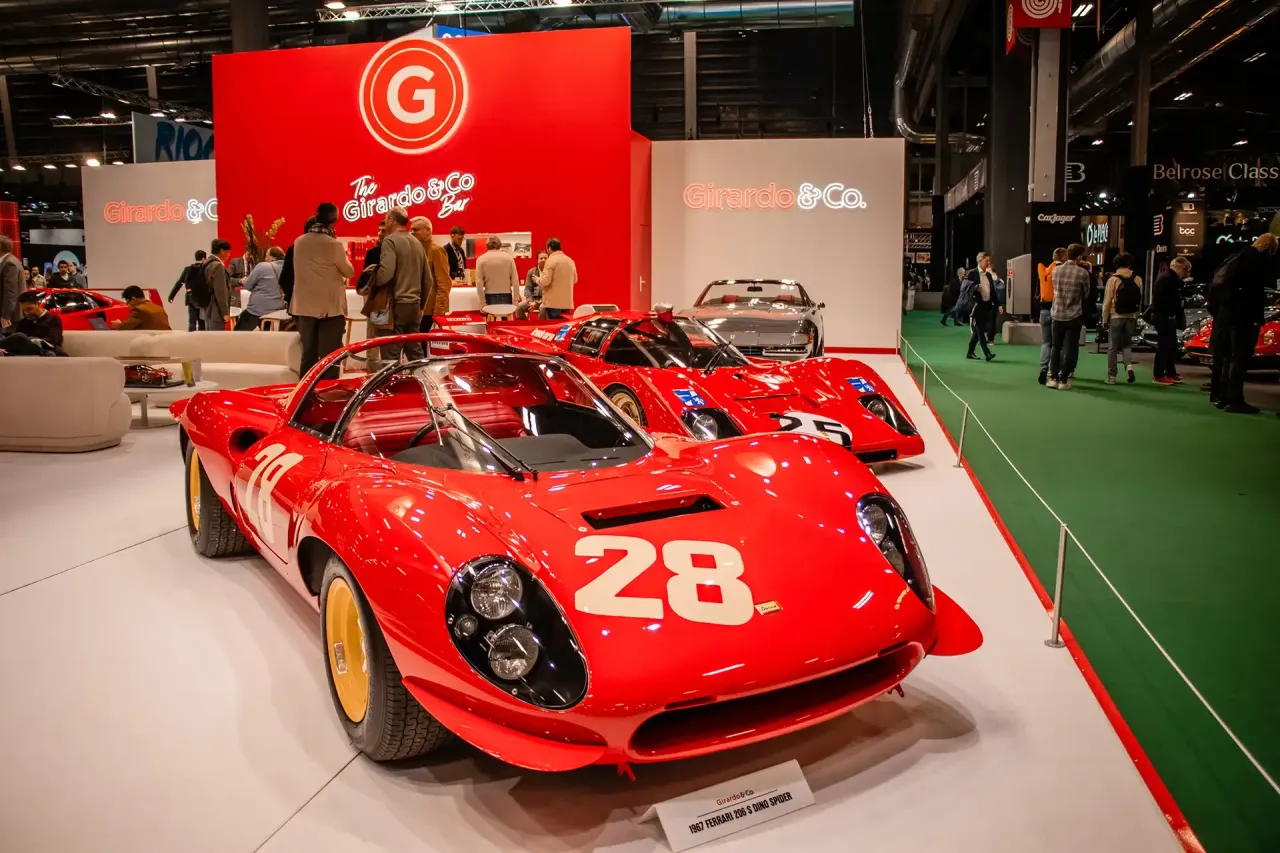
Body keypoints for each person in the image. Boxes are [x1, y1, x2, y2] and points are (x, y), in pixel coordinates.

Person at [1210, 233, 1278, 413]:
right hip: (1244, 318)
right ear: (1269, 248)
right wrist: (1257, 318)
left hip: (1225, 316)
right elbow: (1254, 294)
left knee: (1228, 358)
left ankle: (1223, 397)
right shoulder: (1256, 261)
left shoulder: (1236, 258)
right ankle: (1235, 400)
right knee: (1240, 358)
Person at [291, 202, 354, 379]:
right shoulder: (333, 245)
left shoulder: (299, 242)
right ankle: (329, 391)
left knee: (308, 354)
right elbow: (349, 271)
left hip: (303, 307)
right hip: (329, 308)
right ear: (334, 220)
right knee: (329, 357)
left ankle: (305, 391)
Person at [372, 208, 429, 363]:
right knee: (415, 353)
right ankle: (420, 377)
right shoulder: (417, 243)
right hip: (414, 305)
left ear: (391, 220)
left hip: (394, 306)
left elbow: (386, 274)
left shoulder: (390, 241)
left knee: (390, 356)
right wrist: (421, 305)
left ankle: (393, 380)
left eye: (386, 218)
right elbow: (428, 279)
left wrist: (372, 281)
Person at [1047, 243, 1091, 390]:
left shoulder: (1056, 270)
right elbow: (1086, 294)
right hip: (1074, 315)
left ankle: (1053, 378)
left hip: (1057, 314)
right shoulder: (1083, 273)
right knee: (1070, 348)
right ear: (1079, 257)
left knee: (1056, 347)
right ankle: (1063, 380)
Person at [1100, 252, 1143, 385]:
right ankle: (1129, 366)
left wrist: (1104, 319)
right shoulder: (1137, 279)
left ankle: (1112, 376)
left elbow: (1107, 301)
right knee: (1126, 344)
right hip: (1131, 316)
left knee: (1113, 347)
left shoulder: (1113, 280)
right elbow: (1139, 299)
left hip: (1116, 316)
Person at [1150, 256, 1191, 387]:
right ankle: (1158, 375)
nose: (1187, 273)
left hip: (1167, 316)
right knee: (1164, 346)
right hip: (1163, 316)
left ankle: (1170, 373)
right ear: (1180, 268)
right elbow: (1161, 300)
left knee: (1171, 346)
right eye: (1186, 270)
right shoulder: (1167, 279)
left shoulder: (1171, 278)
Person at [410, 216, 452, 332]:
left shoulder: (436, 250)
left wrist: (439, 311)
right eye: (411, 230)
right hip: (414, 307)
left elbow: (444, 283)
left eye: (416, 229)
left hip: (428, 309)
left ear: (428, 230)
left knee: (421, 340)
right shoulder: (415, 251)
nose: (412, 232)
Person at [236, 246, 286, 331]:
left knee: (239, 330)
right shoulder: (289, 267)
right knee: (264, 324)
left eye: (266, 256)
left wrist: (245, 282)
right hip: (280, 307)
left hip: (259, 308)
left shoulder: (263, 266)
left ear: (272, 257)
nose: (265, 259)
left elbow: (247, 285)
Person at [1036, 248, 1068, 384]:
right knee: (1058, 344)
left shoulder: (1044, 271)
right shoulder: (1064, 272)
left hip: (1044, 310)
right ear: (1064, 258)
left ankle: (1043, 367)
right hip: (1058, 310)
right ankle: (1055, 370)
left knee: (1046, 341)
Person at [960, 253, 996, 361]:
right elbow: (964, 287)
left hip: (986, 305)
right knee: (980, 329)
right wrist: (976, 287)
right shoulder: (971, 273)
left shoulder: (988, 275)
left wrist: (998, 304)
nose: (988, 263)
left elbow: (993, 291)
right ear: (980, 261)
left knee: (978, 330)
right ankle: (987, 353)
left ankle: (970, 352)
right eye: (986, 261)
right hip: (976, 305)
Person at [538, 237, 577, 320]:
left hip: (553, 303)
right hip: (567, 303)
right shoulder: (570, 261)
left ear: (549, 248)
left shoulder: (550, 261)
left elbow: (545, 281)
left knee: (554, 325)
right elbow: (575, 280)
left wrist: (538, 280)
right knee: (564, 326)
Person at [169, 249, 208, 331]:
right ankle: (202, 337)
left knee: (192, 321)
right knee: (202, 322)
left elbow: (179, 283)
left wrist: (171, 296)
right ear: (204, 258)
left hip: (191, 298)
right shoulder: (205, 269)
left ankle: (191, 337)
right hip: (203, 299)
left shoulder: (188, 269)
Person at [475, 236, 520, 308]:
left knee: (491, 314)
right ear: (500, 245)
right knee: (506, 314)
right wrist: (515, 299)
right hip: (506, 295)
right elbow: (515, 280)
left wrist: (482, 302)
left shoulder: (481, 259)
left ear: (487, 245)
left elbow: (479, 282)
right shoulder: (508, 258)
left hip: (489, 295)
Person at [200, 239, 234, 332]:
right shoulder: (218, 266)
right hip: (216, 309)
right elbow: (220, 291)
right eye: (228, 252)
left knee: (209, 336)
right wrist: (225, 312)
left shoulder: (206, 263)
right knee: (217, 337)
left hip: (207, 307)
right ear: (222, 251)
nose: (229, 255)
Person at [0, 236, 22, 329]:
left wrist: (6, 315)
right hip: (10, 314)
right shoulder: (10, 260)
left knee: (9, 337)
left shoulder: (9, 263)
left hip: (10, 317)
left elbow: (10, 292)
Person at [517, 251, 547, 319]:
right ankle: (525, 325)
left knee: (542, 308)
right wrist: (531, 301)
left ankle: (541, 326)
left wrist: (538, 303)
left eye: (545, 258)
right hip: (533, 300)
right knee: (518, 308)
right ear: (537, 260)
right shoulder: (531, 272)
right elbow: (528, 288)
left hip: (545, 301)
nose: (543, 260)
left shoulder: (550, 272)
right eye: (541, 258)